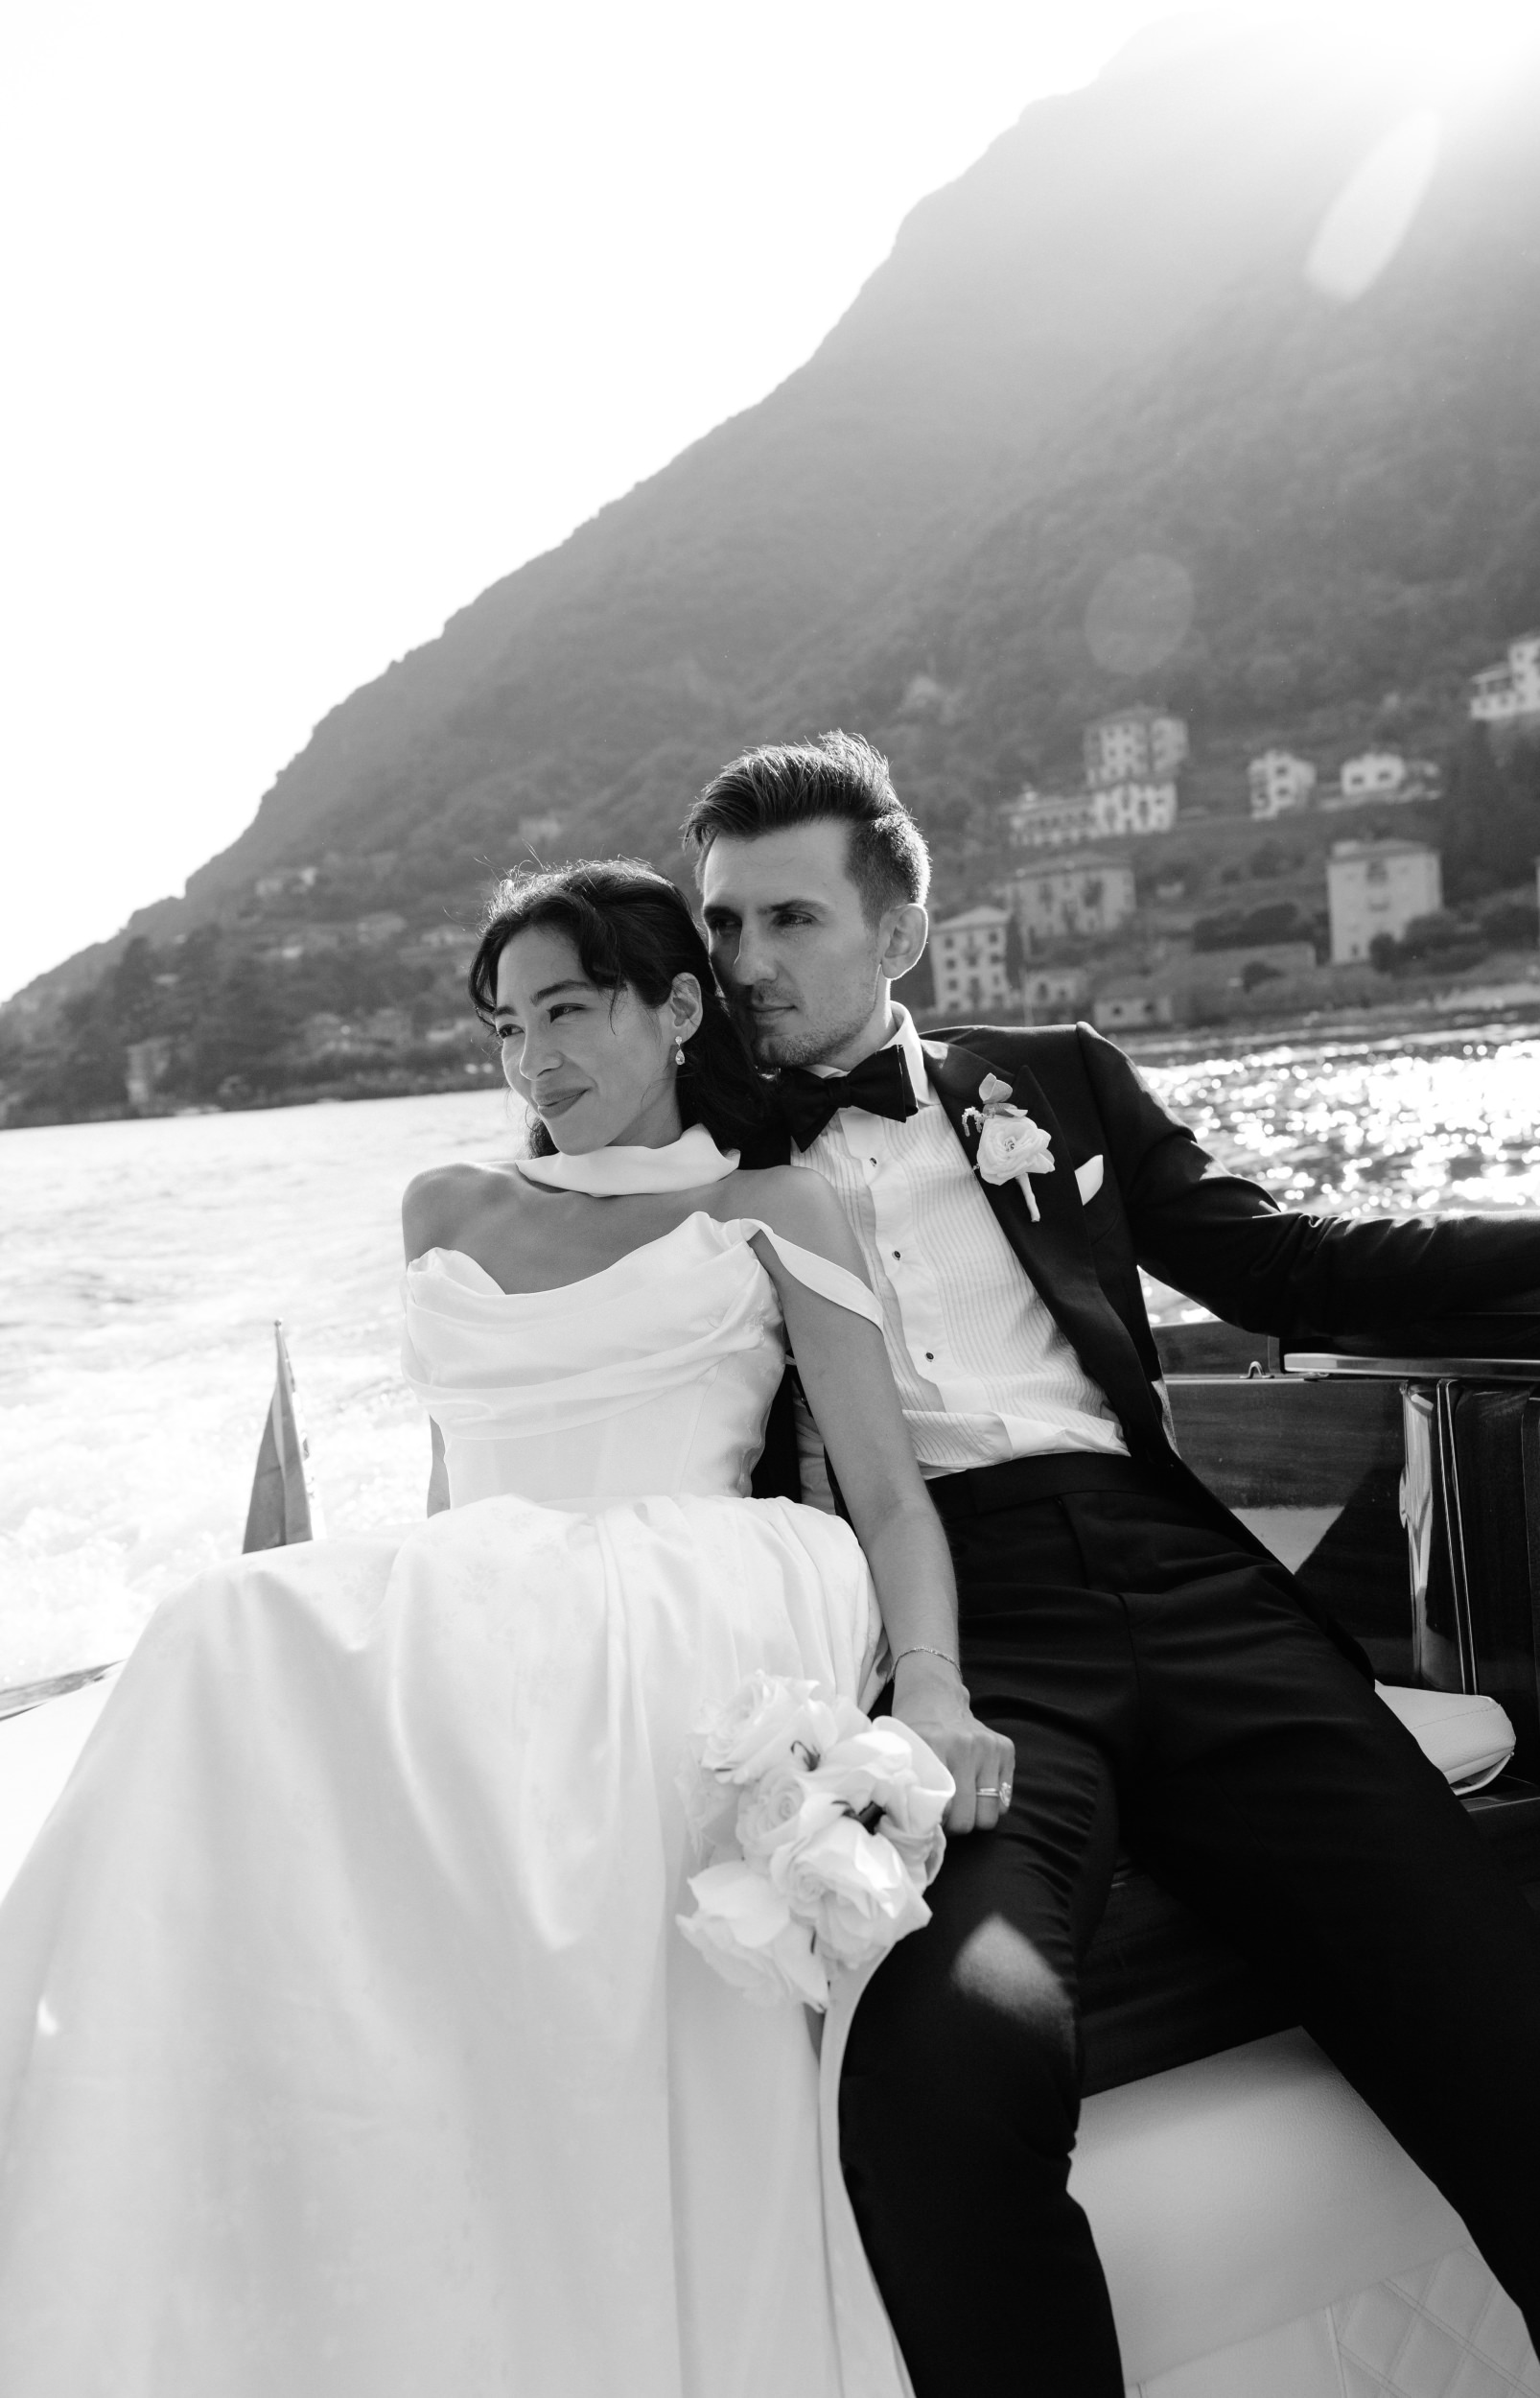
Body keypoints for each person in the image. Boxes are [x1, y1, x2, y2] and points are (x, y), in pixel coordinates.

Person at [0, 858, 1010, 2398]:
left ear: (678, 1011)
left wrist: (930, 1686)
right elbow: (448, 1483)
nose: (533, 1058)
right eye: (505, 1028)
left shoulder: (769, 1205)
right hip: (484, 1581)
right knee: (218, 1627)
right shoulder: (445, 1205)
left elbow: (886, 1493)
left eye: (569, 1011)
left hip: (692, 1587)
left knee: (243, 1629)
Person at [685, 729, 1540, 2398]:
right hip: (948, 1634)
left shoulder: (1057, 1079)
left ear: (900, 934)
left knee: (1517, 2045)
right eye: (724, 924)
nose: (747, 960)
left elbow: (1288, 1268)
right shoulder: (685, 1151)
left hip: (1187, 1586)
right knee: (943, 2074)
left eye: (790, 919)